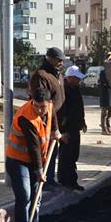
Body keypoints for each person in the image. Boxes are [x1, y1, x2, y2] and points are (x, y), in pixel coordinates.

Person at [5, 88, 62, 222]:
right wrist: (39, 171)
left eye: (42, 107)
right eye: (36, 106)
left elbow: (53, 116)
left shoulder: (49, 107)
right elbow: (33, 146)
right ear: (32, 102)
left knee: (36, 198)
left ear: (49, 103)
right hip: (18, 161)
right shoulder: (26, 116)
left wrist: (55, 131)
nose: (40, 110)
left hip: (35, 161)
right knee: (25, 195)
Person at [28, 47, 66, 188]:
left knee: (53, 152)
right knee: (45, 152)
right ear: (49, 59)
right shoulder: (41, 76)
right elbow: (43, 102)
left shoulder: (57, 75)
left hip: (57, 121)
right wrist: (49, 123)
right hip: (46, 122)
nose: (61, 63)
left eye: (62, 60)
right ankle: (44, 181)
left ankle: (50, 179)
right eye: (59, 60)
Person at [58, 66, 88, 191]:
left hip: (76, 127)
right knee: (66, 156)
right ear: (70, 78)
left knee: (74, 154)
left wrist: (83, 122)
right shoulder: (63, 90)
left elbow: (79, 108)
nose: (79, 81)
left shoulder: (76, 89)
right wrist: (62, 130)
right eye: (77, 78)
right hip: (67, 129)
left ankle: (72, 180)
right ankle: (65, 180)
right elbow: (60, 111)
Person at [99, 52, 111, 135]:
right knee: (104, 112)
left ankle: (108, 127)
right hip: (105, 94)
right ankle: (103, 129)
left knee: (109, 112)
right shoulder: (103, 72)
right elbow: (105, 83)